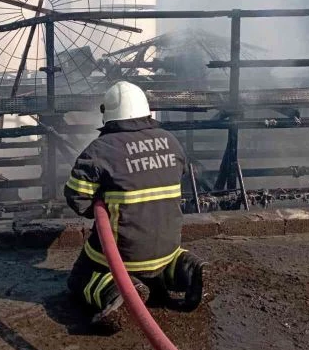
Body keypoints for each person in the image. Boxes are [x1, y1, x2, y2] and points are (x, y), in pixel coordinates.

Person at [64, 81, 206, 331]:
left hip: (123, 255)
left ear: (108, 114)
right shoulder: (170, 141)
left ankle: (117, 291)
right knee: (163, 263)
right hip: (168, 248)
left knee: (81, 277)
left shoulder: (100, 149)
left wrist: (103, 209)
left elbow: (76, 197)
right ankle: (190, 271)